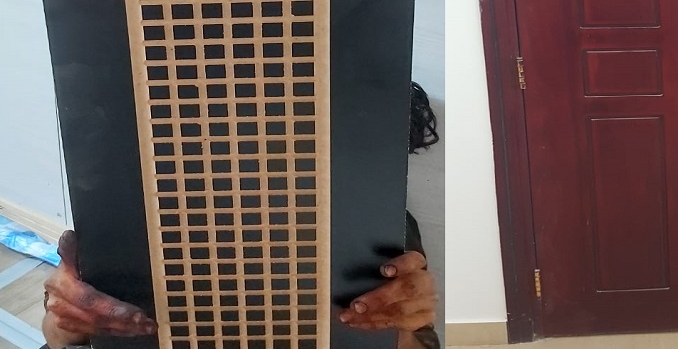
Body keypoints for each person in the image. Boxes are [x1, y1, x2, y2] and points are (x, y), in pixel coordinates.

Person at [41, 83, 441, 349]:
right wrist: (63, 324)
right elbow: (64, 334)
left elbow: (421, 339)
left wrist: (403, 326)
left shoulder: (382, 228)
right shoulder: (135, 218)